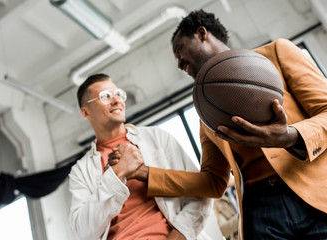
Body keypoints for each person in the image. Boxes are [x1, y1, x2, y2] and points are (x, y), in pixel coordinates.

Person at [108, 10, 327, 240]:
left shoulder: (276, 54)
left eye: (180, 51)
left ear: (202, 33)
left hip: (315, 195)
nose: (180, 64)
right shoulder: (207, 112)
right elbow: (213, 181)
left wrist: (289, 137)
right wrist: (142, 172)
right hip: (261, 211)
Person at [68, 73, 217, 240]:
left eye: (118, 94)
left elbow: (201, 191)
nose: (117, 100)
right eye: (105, 96)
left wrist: (180, 235)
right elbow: (83, 232)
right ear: (86, 112)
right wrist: (115, 175)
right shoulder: (80, 171)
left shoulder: (158, 138)